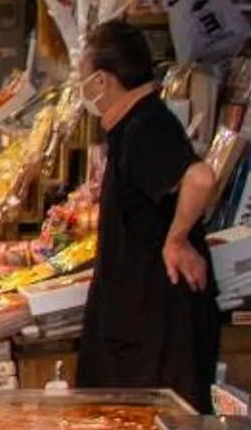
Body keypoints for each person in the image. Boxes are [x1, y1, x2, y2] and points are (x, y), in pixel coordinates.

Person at [74, 21, 221, 400]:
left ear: (102, 81)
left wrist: (177, 240)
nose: (82, 87)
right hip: (136, 320)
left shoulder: (146, 125)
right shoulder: (131, 125)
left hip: (157, 329)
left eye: (83, 76)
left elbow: (200, 178)